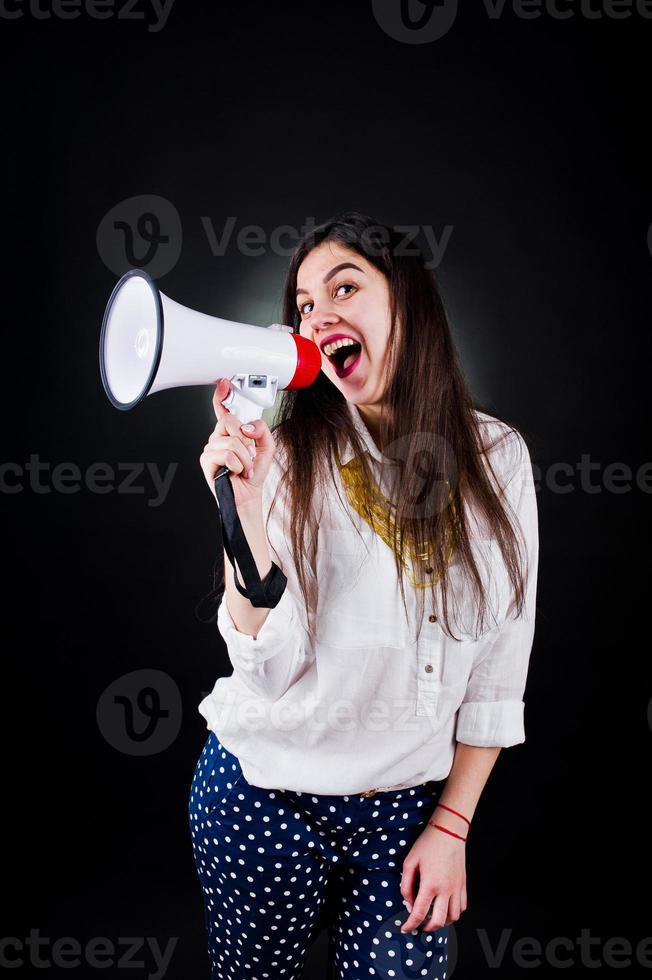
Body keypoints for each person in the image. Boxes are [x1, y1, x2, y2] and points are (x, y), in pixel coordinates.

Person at [188, 211, 539, 980]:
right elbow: (266, 669)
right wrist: (244, 512)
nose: (318, 316)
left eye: (344, 286)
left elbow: (498, 671)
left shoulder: (499, 459)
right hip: (263, 796)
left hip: (407, 812)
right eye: (305, 305)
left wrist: (452, 825)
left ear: (407, 303)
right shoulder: (284, 456)